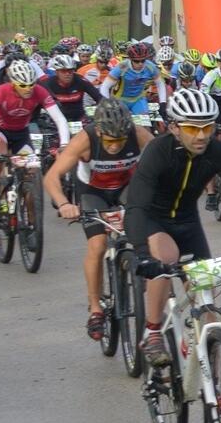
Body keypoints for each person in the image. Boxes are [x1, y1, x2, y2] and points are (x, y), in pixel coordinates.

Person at [125, 88, 221, 366]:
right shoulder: (158, 151)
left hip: (188, 222)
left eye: (207, 128)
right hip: (154, 218)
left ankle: (217, 385)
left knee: (207, 301)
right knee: (165, 260)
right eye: (191, 128)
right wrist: (142, 253)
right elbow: (136, 206)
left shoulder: (217, 151)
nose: (201, 136)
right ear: (175, 126)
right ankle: (152, 332)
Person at [46, 105, 153, 340]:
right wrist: (64, 204)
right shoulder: (84, 140)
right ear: (100, 132)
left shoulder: (139, 134)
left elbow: (161, 163)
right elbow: (52, 176)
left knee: (144, 233)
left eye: (120, 140)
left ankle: (142, 276)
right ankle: (95, 308)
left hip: (126, 188)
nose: (115, 145)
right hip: (93, 192)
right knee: (97, 245)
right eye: (109, 140)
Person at [0, 60, 74, 210]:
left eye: (31, 84)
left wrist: (64, 145)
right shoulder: (1, 91)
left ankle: (31, 225)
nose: (28, 89)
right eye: (23, 85)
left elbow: (59, 119)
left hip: (21, 134)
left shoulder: (39, 91)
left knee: (32, 171)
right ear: (13, 83)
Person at [43, 54, 106, 126]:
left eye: (70, 71)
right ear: (57, 72)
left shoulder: (80, 80)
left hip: (79, 119)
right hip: (56, 122)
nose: (67, 74)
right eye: (63, 71)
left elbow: (98, 97)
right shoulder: (48, 84)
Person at [108, 41, 164, 116]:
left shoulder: (154, 67)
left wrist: (163, 102)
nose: (141, 63)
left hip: (146, 99)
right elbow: (110, 85)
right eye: (137, 61)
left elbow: (163, 83)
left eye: (144, 60)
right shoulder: (122, 66)